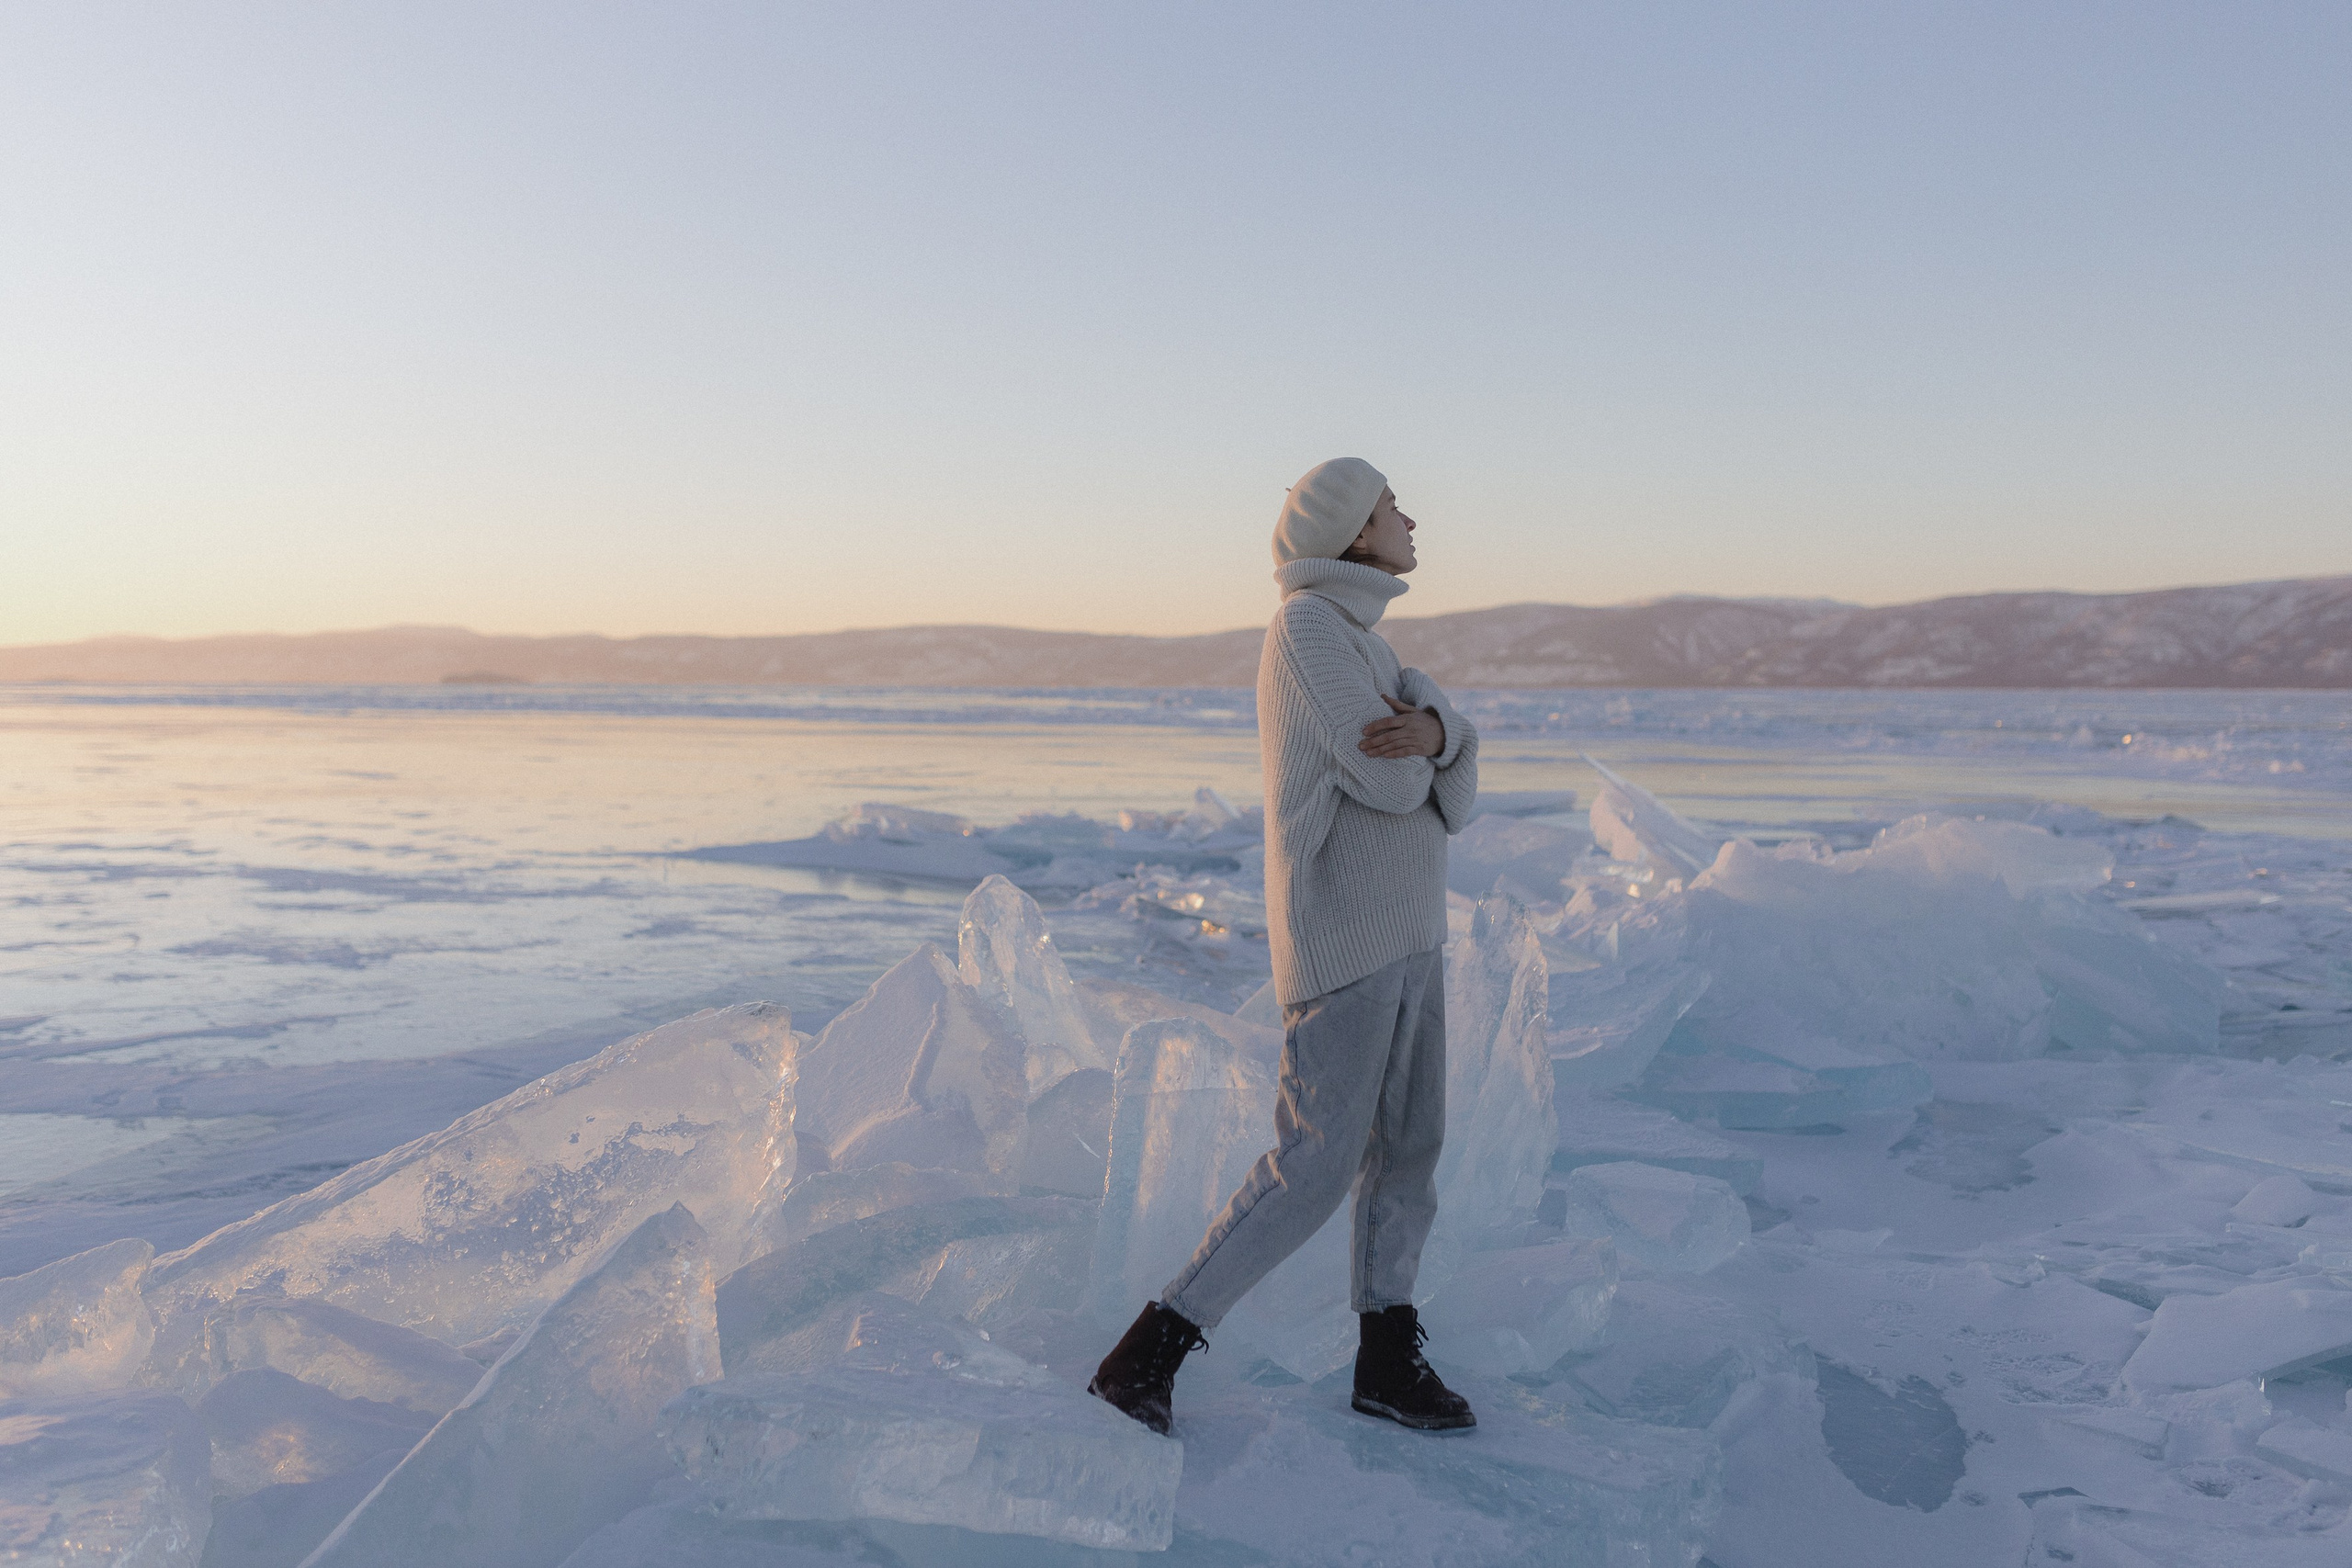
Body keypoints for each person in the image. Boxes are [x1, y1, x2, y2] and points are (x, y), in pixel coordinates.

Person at [1088, 457, 1480, 1436]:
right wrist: (1434, 735)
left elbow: (1452, 792)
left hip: (1412, 932)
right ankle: (1149, 1349)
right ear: (1353, 533)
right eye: (1393, 507)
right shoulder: (1308, 630)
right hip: (1345, 935)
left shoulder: (1366, 643)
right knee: (1313, 1161)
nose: (1410, 517)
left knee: (1409, 1153)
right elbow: (1394, 788)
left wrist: (1434, 723)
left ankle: (1387, 1363)